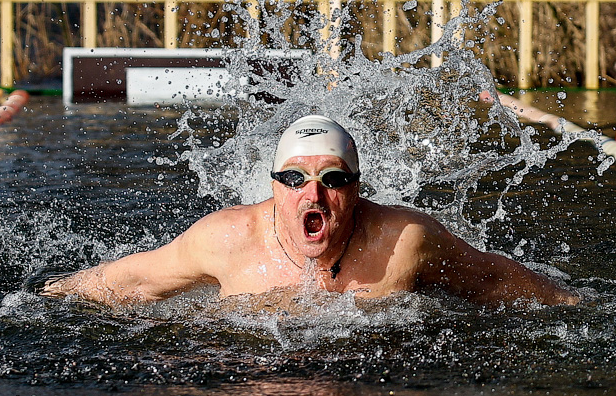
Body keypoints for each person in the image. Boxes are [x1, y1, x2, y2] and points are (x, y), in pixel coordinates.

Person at [41, 115, 579, 307]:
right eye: (295, 179)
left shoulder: (403, 240)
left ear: (356, 188)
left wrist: (578, 306)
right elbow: (134, 280)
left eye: (332, 180)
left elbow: (491, 279)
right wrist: (53, 296)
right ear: (274, 187)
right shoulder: (227, 240)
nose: (313, 196)